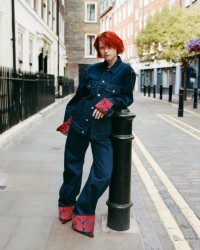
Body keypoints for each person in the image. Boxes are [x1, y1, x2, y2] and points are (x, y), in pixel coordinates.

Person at [57, 31, 136, 238]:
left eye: (108, 46)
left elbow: (126, 98)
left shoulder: (126, 72)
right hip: (79, 125)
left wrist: (108, 104)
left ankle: (82, 210)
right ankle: (66, 205)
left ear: (117, 46)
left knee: (103, 174)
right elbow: (79, 97)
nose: (104, 50)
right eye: (101, 47)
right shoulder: (92, 69)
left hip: (102, 131)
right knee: (72, 169)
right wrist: (68, 120)